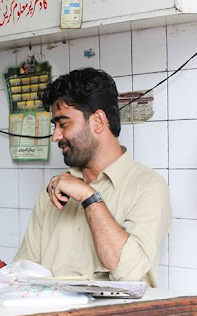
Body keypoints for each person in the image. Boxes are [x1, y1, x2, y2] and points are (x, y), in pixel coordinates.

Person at [14, 68, 171, 286]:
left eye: (63, 124)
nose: (55, 136)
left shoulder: (148, 187)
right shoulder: (53, 191)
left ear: (98, 121)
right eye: (55, 126)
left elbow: (128, 272)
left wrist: (89, 198)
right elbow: (25, 270)